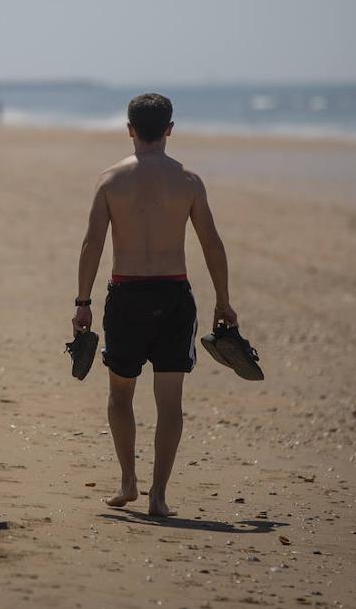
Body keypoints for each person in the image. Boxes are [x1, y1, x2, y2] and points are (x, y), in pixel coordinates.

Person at [72, 93, 238, 517]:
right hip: (173, 297)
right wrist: (223, 301)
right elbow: (212, 244)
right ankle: (158, 495)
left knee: (120, 393)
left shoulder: (110, 181)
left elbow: (92, 245)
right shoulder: (188, 182)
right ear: (169, 130)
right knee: (169, 401)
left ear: (129, 129)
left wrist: (83, 302)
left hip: (125, 295)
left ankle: (128, 481)